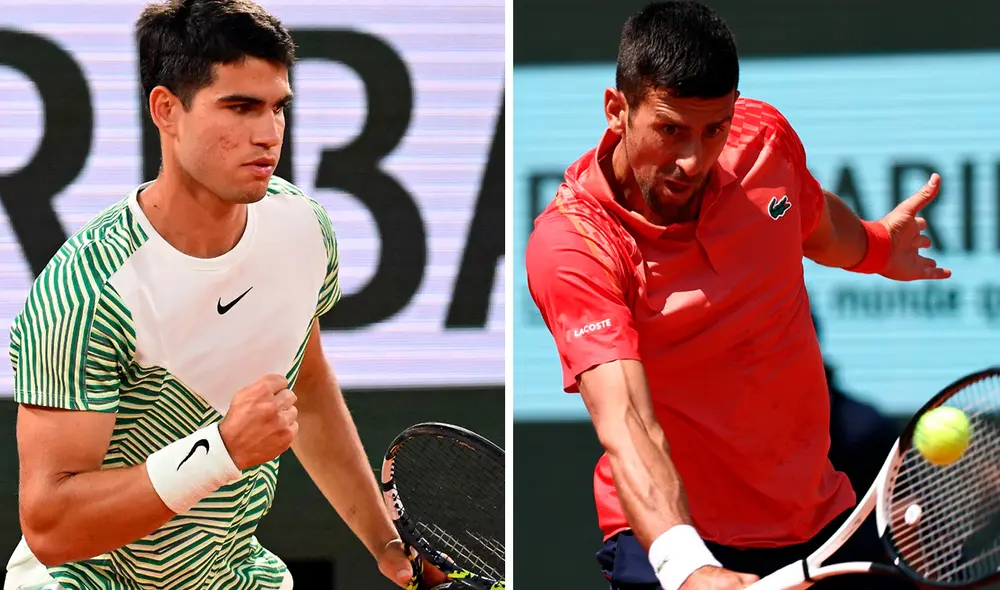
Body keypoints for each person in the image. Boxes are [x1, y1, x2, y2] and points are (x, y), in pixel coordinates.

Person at [2, 1, 444, 589]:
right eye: (238, 107)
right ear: (167, 110)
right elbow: (52, 528)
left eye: (277, 107)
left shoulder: (303, 229)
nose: (268, 134)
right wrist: (222, 450)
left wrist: (386, 543)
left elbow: (304, 388)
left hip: (231, 575)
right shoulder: (87, 294)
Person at [524, 2, 948, 589]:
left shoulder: (764, 143)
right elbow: (627, 422)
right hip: (674, 539)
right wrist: (688, 566)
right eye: (670, 130)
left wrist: (877, 247)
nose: (693, 160)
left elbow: (818, 223)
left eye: (713, 129)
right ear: (617, 110)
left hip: (818, 520)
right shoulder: (574, 245)